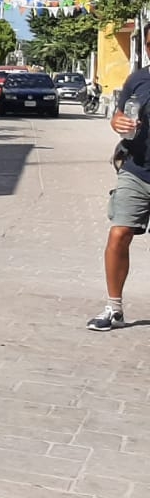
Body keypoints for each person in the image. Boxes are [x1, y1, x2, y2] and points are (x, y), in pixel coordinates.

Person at [90, 66, 150, 331]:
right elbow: (120, 114)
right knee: (119, 234)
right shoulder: (138, 78)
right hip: (136, 169)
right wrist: (117, 122)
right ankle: (114, 309)